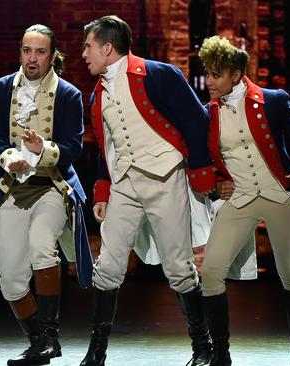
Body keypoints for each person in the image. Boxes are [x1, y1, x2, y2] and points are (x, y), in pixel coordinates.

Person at [80, 15, 217, 366]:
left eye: (88, 47)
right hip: (125, 184)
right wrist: (103, 191)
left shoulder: (159, 74)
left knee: (178, 266)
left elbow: (196, 121)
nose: (84, 54)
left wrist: (201, 172)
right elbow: (106, 146)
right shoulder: (98, 93)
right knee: (108, 265)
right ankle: (96, 352)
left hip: (165, 177)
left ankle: (203, 348)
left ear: (107, 48)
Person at [198, 35, 290, 366]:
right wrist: (215, 183)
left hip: (278, 193)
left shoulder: (272, 99)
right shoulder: (208, 112)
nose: (209, 81)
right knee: (210, 271)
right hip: (242, 197)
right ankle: (221, 352)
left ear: (235, 74)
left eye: (216, 74)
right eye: (207, 73)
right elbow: (202, 156)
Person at [0, 24, 92, 366]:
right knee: (11, 277)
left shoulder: (68, 94)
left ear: (52, 56)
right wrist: (9, 159)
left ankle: (50, 336)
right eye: (27, 50)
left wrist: (41, 148)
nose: (32, 58)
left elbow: (74, 148)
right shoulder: (1, 89)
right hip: (13, 188)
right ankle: (39, 340)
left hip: (53, 187)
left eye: (40, 51)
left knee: (41, 242)